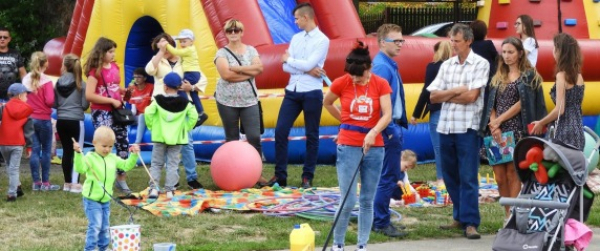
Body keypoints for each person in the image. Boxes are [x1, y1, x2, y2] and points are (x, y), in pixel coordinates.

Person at [323, 41, 392, 251]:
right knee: (348, 199)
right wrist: (344, 124)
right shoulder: (341, 82)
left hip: (375, 147)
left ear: (368, 69)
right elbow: (327, 102)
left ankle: (362, 244)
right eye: (351, 75)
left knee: (367, 199)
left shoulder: (380, 84)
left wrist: (373, 132)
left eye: (358, 75)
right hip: (348, 145)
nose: (354, 78)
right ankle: (338, 244)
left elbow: (387, 114)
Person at [427, 23, 489, 240]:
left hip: (467, 127)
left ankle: (471, 222)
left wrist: (446, 94)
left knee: (468, 175)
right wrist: (455, 91)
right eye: (451, 40)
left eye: (457, 41)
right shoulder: (447, 65)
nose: (453, 45)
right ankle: (459, 216)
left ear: (468, 41)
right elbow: (433, 96)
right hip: (446, 125)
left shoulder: (480, 64)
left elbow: (472, 97)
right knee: (450, 174)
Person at [479, 37, 546, 218]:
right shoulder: (498, 76)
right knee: (499, 177)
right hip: (496, 131)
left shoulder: (528, 76)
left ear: (520, 53)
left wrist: (498, 121)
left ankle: (513, 215)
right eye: (504, 52)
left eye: (511, 52)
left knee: (512, 174)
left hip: (516, 130)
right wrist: (494, 124)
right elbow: (491, 102)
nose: (507, 56)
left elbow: (522, 104)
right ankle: (507, 212)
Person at [271, 2, 330, 188]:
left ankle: (307, 176)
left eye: (297, 18)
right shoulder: (296, 38)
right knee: (280, 131)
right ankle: (280, 176)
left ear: (306, 17)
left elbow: (297, 63)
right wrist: (304, 67)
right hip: (292, 91)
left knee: (311, 134)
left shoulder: (322, 40)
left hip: (312, 92)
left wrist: (292, 61)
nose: (295, 22)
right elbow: (285, 66)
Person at [146, 33, 205, 189]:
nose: (165, 49)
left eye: (167, 45)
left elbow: (202, 77)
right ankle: (169, 181)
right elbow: (149, 70)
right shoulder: (158, 61)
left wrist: (191, 87)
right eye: (161, 46)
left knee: (187, 144)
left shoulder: (184, 59)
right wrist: (160, 52)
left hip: (181, 107)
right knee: (161, 146)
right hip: (162, 107)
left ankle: (192, 178)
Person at [73, 126, 140, 251]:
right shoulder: (89, 157)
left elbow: (126, 166)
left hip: (105, 199)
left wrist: (134, 155)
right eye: (104, 146)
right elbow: (80, 168)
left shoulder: (112, 158)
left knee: (105, 226)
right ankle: (90, 248)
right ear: (94, 143)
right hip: (92, 199)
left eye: (110, 146)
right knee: (95, 225)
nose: (107, 149)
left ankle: (103, 248)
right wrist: (77, 154)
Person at [214, 19, 265, 179]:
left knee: (254, 136)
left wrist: (238, 68)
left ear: (242, 32)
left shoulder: (251, 50)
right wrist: (249, 72)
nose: (233, 33)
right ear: (226, 33)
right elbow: (226, 75)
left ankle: (257, 173)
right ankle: (232, 173)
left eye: (236, 30)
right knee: (232, 138)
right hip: (226, 101)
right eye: (230, 31)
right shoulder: (221, 53)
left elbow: (260, 68)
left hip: (249, 100)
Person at [371, 23, 408, 238]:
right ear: (383, 42)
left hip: (390, 126)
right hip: (388, 127)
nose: (401, 44)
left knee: (388, 175)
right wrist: (389, 129)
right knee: (388, 176)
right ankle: (381, 222)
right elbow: (379, 104)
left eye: (402, 40)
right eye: (397, 41)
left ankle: (381, 218)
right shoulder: (383, 67)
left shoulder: (388, 64)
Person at [83, 37, 132, 195]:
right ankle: (103, 175)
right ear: (101, 52)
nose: (113, 54)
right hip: (101, 111)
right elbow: (89, 95)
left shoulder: (115, 67)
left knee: (123, 142)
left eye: (113, 51)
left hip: (116, 110)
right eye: (110, 51)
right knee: (105, 143)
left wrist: (122, 91)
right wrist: (111, 99)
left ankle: (121, 177)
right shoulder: (94, 72)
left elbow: (113, 87)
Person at [145, 72, 198, 199]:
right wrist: (186, 127)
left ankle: (153, 189)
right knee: (173, 165)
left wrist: (152, 126)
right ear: (179, 87)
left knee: (156, 164)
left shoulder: (157, 100)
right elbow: (194, 116)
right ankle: (170, 190)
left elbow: (148, 113)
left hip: (159, 137)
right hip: (177, 139)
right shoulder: (186, 103)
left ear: (165, 87)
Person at [531, 33, 584, 151]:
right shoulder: (579, 76)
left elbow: (560, 109)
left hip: (564, 130)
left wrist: (541, 122)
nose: (552, 51)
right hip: (578, 130)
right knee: (573, 167)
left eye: (554, 47)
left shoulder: (561, 76)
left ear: (560, 51)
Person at [410, 41, 452, 186]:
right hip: (454, 111)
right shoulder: (455, 67)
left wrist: (416, 113)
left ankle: (442, 178)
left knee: (439, 147)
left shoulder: (433, 67)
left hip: (438, 111)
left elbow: (426, 91)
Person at [22, 51, 60, 191]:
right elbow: (50, 101)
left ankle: (36, 182)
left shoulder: (26, 79)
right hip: (44, 118)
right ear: (46, 63)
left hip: (30, 118)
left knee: (35, 150)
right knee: (46, 150)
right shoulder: (47, 80)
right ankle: (45, 182)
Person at [55, 53, 89, 193]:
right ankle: (75, 184)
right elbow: (84, 104)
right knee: (77, 151)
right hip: (76, 120)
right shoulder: (81, 83)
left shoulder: (58, 83)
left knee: (67, 151)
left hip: (61, 120)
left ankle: (67, 183)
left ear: (64, 65)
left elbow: (55, 103)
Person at [164, 28, 208, 127]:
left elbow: (176, 52)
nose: (182, 44)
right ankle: (201, 113)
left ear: (191, 41)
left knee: (179, 87)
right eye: (180, 42)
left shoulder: (188, 50)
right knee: (193, 94)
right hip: (192, 73)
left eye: (184, 41)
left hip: (191, 73)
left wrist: (166, 44)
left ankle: (186, 105)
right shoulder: (188, 50)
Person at [0, 83, 33, 201]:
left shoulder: (3, 107)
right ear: (20, 96)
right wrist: (29, 147)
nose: (27, 98)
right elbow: (29, 132)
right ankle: (12, 194)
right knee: (13, 168)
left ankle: (17, 187)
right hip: (17, 144)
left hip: (3, 143)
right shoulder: (26, 111)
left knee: (10, 167)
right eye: (26, 95)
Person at [124, 67, 153, 144]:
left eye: (139, 77)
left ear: (145, 78)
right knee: (121, 118)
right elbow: (134, 110)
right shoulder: (132, 89)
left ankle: (137, 143)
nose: (136, 79)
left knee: (141, 116)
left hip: (148, 116)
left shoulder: (151, 87)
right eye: (135, 77)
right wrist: (127, 116)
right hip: (138, 117)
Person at [0, 27, 27, 102]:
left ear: (9, 39)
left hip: (11, 95)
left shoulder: (15, 54)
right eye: (0, 37)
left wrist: (25, 90)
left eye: (5, 37)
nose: (2, 39)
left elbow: (23, 73)